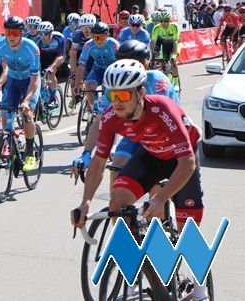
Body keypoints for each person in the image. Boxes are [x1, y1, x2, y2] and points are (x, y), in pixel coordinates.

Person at [70, 59, 207, 300]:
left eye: (123, 94)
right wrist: (86, 203)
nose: (117, 102)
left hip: (181, 157)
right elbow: (99, 162)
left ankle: (200, 291)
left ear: (141, 92)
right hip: (152, 154)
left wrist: (160, 199)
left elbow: (187, 163)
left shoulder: (163, 110)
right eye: (112, 95)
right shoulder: (113, 116)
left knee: (189, 227)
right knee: (118, 199)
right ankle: (138, 262)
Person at [70, 40, 179, 183]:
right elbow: (100, 121)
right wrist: (86, 153)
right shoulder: (115, 86)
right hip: (137, 132)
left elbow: (160, 120)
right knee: (116, 167)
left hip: (165, 135)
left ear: (145, 64)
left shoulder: (157, 80)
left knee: (158, 189)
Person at [0, 16, 41, 172]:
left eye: (15, 33)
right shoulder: (0, 46)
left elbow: (35, 81)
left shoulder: (31, 48)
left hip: (29, 82)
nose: (11, 37)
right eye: (8, 33)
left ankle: (29, 153)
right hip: (13, 81)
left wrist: (27, 101)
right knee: (4, 113)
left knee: (26, 114)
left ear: (21, 33)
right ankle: (9, 144)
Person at [76, 22, 120, 112]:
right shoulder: (88, 45)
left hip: (112, 70)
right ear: (92, 36)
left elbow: (120, 64)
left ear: (107, 35)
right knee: (89, 86)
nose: (99, 41)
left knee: (108, 89)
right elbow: (81, 66)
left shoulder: (114, 45)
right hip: (98, 69)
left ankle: (107, 109)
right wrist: (77, 85)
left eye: (102, 37)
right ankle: (94, 110)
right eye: (96, 37)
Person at [150, 11, 182, 91]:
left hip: (175, 43)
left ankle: (176, 83)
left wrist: (174, 54)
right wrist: (154, 55)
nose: (163, 23)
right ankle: (163, 76)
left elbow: (175, 41)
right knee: (160, 61)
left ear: (169, 21)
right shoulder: (157, 28)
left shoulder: (174, 26)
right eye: (161, 21)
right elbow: (154, 42)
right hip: (164, 44)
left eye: (166, 21)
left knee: (173, 60)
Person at [35, 21, 65, 104]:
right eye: (40, 34)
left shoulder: (59, 37)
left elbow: (60, 56)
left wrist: (51, 68)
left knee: (51, 73)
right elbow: (37, 58)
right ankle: (42, 94)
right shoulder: (38, 41)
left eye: (45, 34)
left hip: (56, 56)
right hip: (43, 56)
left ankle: (53, 97)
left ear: (50, 33)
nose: (42, 36)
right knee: (39, 75)